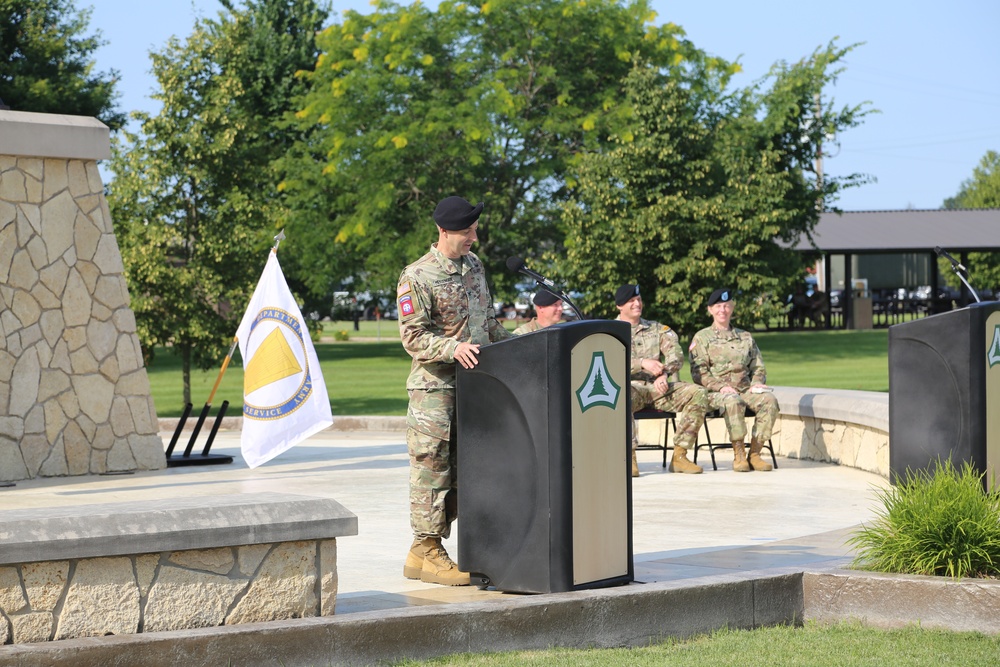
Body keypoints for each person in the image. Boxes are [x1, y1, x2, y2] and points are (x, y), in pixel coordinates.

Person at [396, 195, 511, 586]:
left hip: (476, 388)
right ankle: (427, 550)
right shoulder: (417, 276)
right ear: (445, 231)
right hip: (435, 393)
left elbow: (488, 324)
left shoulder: (474, 267)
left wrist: (520, 345)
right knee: (433, 470)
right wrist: (453, 348)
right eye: (468, 232)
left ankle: (433, 549)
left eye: (475, 230)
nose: (474, 238)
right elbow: (413, 338)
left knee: (470, 473)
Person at [615, 284, 710, 477]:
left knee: (698, 393)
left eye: (639, 299)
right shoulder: (611, 331)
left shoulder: (657, 329)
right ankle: (629, 458)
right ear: (619, 306)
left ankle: (680, 456)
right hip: (630, 389)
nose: (637, 304)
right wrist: (641, 363)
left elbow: (676, 354)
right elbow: (609, 360)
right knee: (620, 396)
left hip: (659, 389)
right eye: (631, 301)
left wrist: (664, 373)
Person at [689, 288, 779, 472]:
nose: (722, 310)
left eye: (726, 306)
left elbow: (758, 366)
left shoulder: (745, 337)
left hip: (745, 390)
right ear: (710, 310)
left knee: (769, 401)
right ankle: (739, 454)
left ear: (732, 308)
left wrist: (756, 384)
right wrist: (721, 387)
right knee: (733, 400)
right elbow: (699, 373)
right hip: (716, 394)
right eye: (718, 306)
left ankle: (754, 453)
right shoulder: (702, 337)